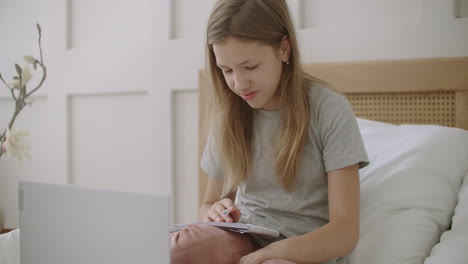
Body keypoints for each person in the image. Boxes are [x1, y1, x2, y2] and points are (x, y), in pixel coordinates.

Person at [171, 0, 369, 263]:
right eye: (226, 70)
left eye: (250, 67)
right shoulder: (229, 115)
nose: (239, 84)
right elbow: (208, 203)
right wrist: (215, 211)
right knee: (179, 248)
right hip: (244, 237)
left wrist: (273, 253)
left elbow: (344, 232)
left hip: (303, 250)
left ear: (284, 49)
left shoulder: (329, 110)